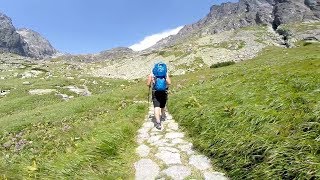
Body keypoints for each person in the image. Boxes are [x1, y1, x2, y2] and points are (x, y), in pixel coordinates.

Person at [147, 62, 171, 129]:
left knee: (156, 106)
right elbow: (169, 83)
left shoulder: (152, 74)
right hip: (164, 91)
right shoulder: (165, 73)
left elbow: (148, 84)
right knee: (162, 105)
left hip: (155, 91)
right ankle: (163, 115)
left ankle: (158, 123)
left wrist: (150, 83)